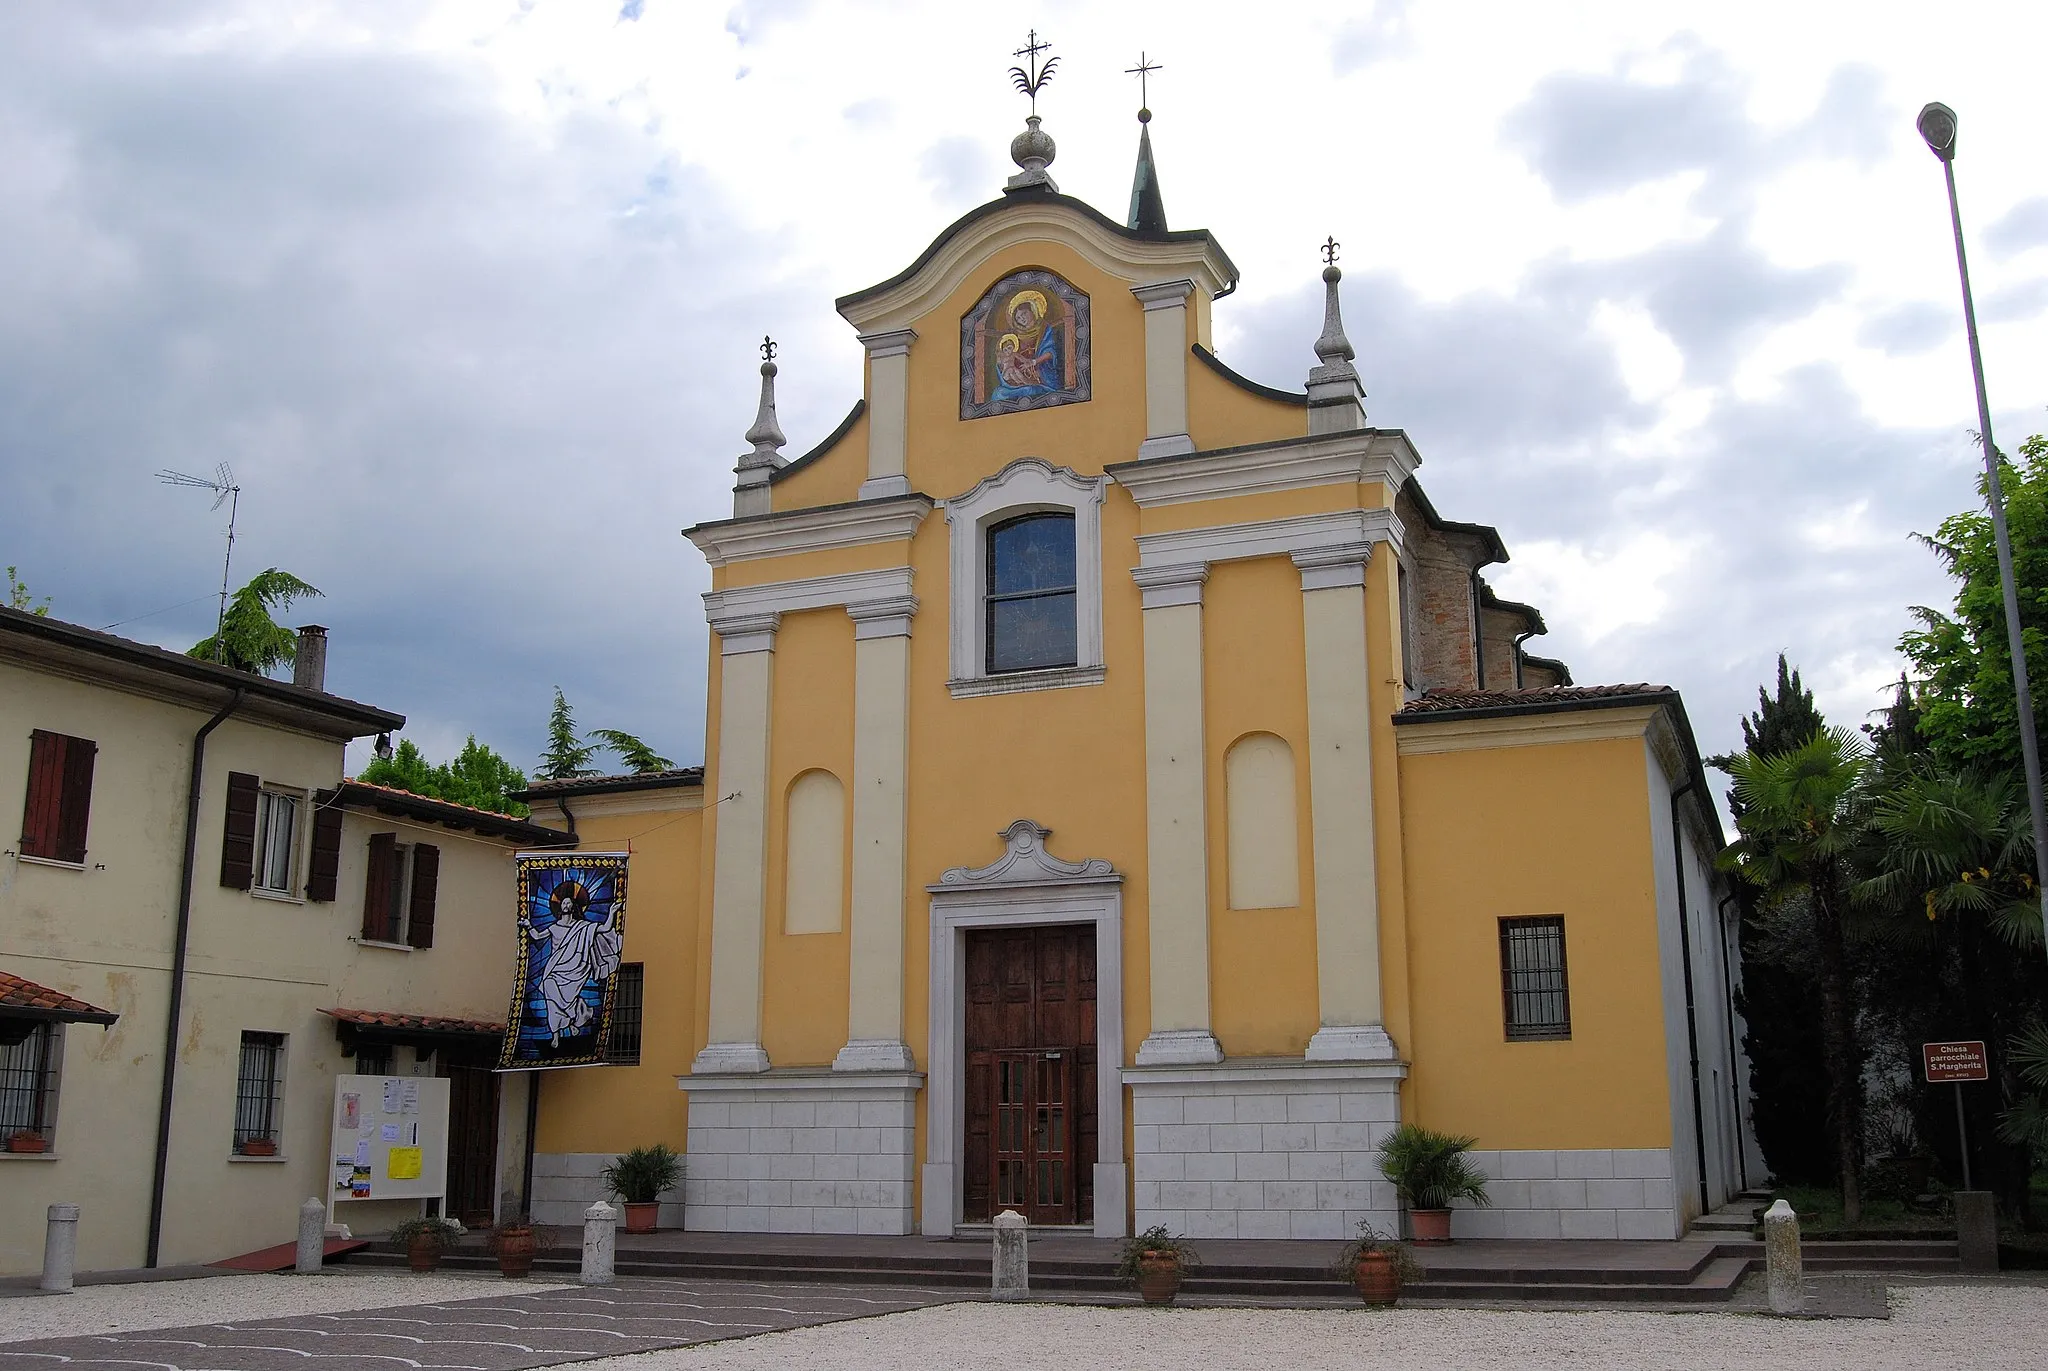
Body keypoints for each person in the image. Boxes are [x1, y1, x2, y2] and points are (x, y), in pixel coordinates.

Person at [519, 877, 623, 1048]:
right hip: (555, 968)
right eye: (563, 903)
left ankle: (570, 1023)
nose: (566, 905)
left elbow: (604, 929)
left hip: (577, 968)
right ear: (559, 907)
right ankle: (557, 1032)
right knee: (550, 994)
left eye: (569, 903)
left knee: (568, 999)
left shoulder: (583, 926)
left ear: (574, 907)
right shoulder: (554, 927)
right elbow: (537, 936)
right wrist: (528, 925)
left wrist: (611, 912)